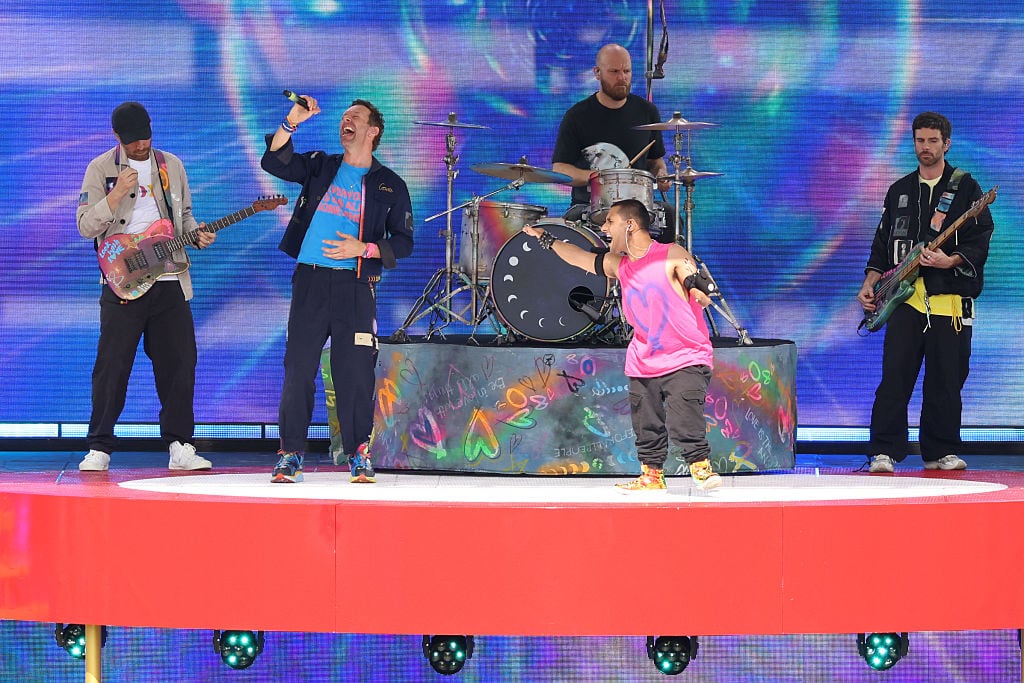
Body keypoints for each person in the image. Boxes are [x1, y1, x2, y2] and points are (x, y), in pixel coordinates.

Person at [261, 96, 414, 484]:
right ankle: (290, 452)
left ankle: (358, 452)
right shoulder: (321, 166)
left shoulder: (390, 184)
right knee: (298, 368)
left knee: (354, 372)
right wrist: (293, 121)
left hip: (356, 285)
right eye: (344, 117)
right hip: (311, 280)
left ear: (373, 130)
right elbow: (275, 160)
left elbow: (405, 240)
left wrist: (363, 248)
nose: (346, 121)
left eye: (356, 118)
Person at [523, 198, 721, 491]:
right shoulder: (620, 265)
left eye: (609, 222)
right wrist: (546, 238)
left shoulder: (669, 253)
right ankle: (651, 475)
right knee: (646, 421)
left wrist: (701, 292)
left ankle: (700, 467)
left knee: (683, 414)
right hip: (644, 358)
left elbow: (690, 276)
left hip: (685, 355)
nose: (603, 228)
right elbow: (577, 256)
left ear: (630, 225)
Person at [76, 101, 215, 472]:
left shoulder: (171, 166)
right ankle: (100, 447)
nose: (141, 146)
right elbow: (86, 226)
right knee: (112, 365)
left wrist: (196, 235)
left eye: (145, 138)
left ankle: (180, 445)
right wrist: (115, 195)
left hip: (169, 279)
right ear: (117, 137)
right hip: (123, 281)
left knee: (180, 363)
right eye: (133, 141)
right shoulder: (100, 169)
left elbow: (183, 217)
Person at [857, 112, 994, 473]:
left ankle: (941, 451)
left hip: (949, 303)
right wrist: (870, 282)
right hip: (904, 300)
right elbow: (882, 244)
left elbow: (981, 238)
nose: (926, 148)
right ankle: (884, 450)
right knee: (894, 379)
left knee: (946, 381)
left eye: (933, 141)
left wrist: (951, 261)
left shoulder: (966, 188)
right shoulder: (899, 190)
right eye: (920, 140)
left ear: (946, 144)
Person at [551, 43, 676, 244]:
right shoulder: (577, 116)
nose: (622, 78)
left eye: (627, 71)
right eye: (614, 72)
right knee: (572, 222)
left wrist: (661, 174)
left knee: (670, 215)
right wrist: (595, 177)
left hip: (638, 207)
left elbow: (655, 161)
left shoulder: (647, 112)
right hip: (588, 207)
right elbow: (560, 168)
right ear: (597, 73)